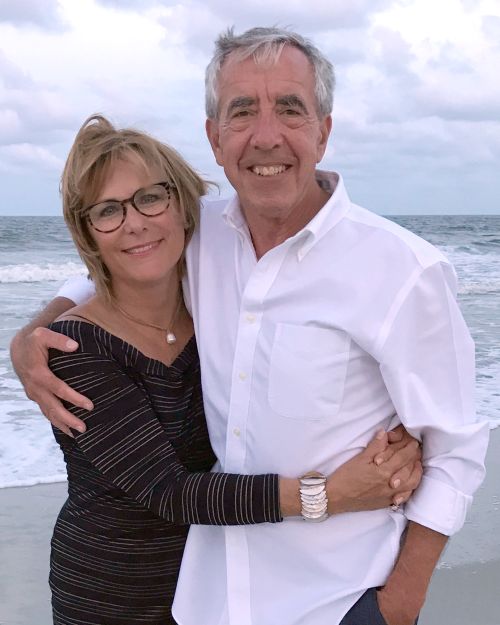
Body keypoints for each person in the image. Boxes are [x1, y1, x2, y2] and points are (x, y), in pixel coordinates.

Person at [9, 26, 488, 625]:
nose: (267, 136)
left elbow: (455, 451)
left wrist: (398, 605)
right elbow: (119, 261)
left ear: (325, 128)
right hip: (207, 599)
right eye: (242, 112)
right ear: (214, 137)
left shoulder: (402, 270)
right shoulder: (198, 233)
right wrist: (33, 335)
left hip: (338, 599)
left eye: (290, 108)